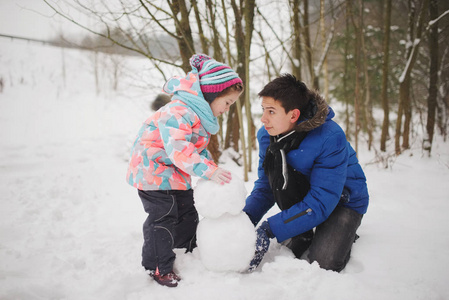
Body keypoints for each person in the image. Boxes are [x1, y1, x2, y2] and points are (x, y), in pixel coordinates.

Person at [126, 54, 243, 287]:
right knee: (163, 217)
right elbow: (179, 149)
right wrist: (206, 171)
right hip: (153, 172)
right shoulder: (178, 112)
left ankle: (187, 252)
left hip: (173, 174)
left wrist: (211, 168)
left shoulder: (196, 116)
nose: (227, 109)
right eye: (227, 102)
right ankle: (158, 266)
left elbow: (195, 150)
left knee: (187, 212)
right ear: (211, 94)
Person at [244, 74, 369, 273]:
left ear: (293, 115)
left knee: (324, 262)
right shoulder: (267, 135)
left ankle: (341, 229)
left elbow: (322, 201)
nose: (263, 118)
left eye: (271, 111)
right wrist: (243, 220)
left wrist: (270, 229)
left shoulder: (330, 137)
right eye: (263, 110)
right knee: (280, 183)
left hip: (342, 201)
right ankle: (303, 230)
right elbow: (266, 186)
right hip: (306, 194)